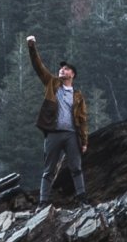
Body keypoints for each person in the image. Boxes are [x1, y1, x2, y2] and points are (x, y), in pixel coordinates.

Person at [26, 33, 88, 204]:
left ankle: (82, 199)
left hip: (72, 135)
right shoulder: (51, 83)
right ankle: (43, 202)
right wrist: (32, 47)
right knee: (48, 170)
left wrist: (84, 141)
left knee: (76, 168)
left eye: (66, 68)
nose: (62, 70)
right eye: (61, 68)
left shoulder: (78, 96)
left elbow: (82, 120)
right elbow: (38, 66)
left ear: (72, 74)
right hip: (53, 133)